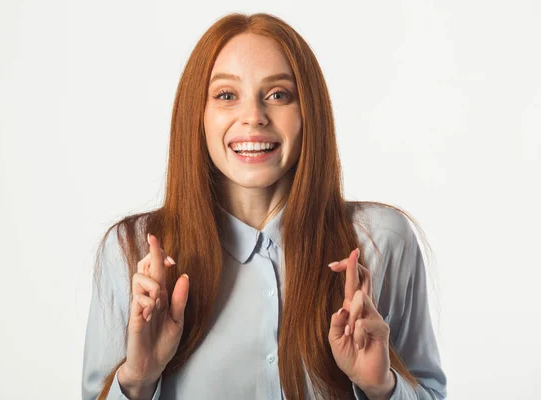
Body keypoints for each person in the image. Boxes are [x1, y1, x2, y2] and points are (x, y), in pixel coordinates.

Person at [81, 12, 447, 400]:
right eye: (226, 95)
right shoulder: (130, 251)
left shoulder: (382, 240)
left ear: (309, 113)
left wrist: (381, 387)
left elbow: (430, 391)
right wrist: (137, 379)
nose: (253, 118)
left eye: (278, 95)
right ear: (197, 115)